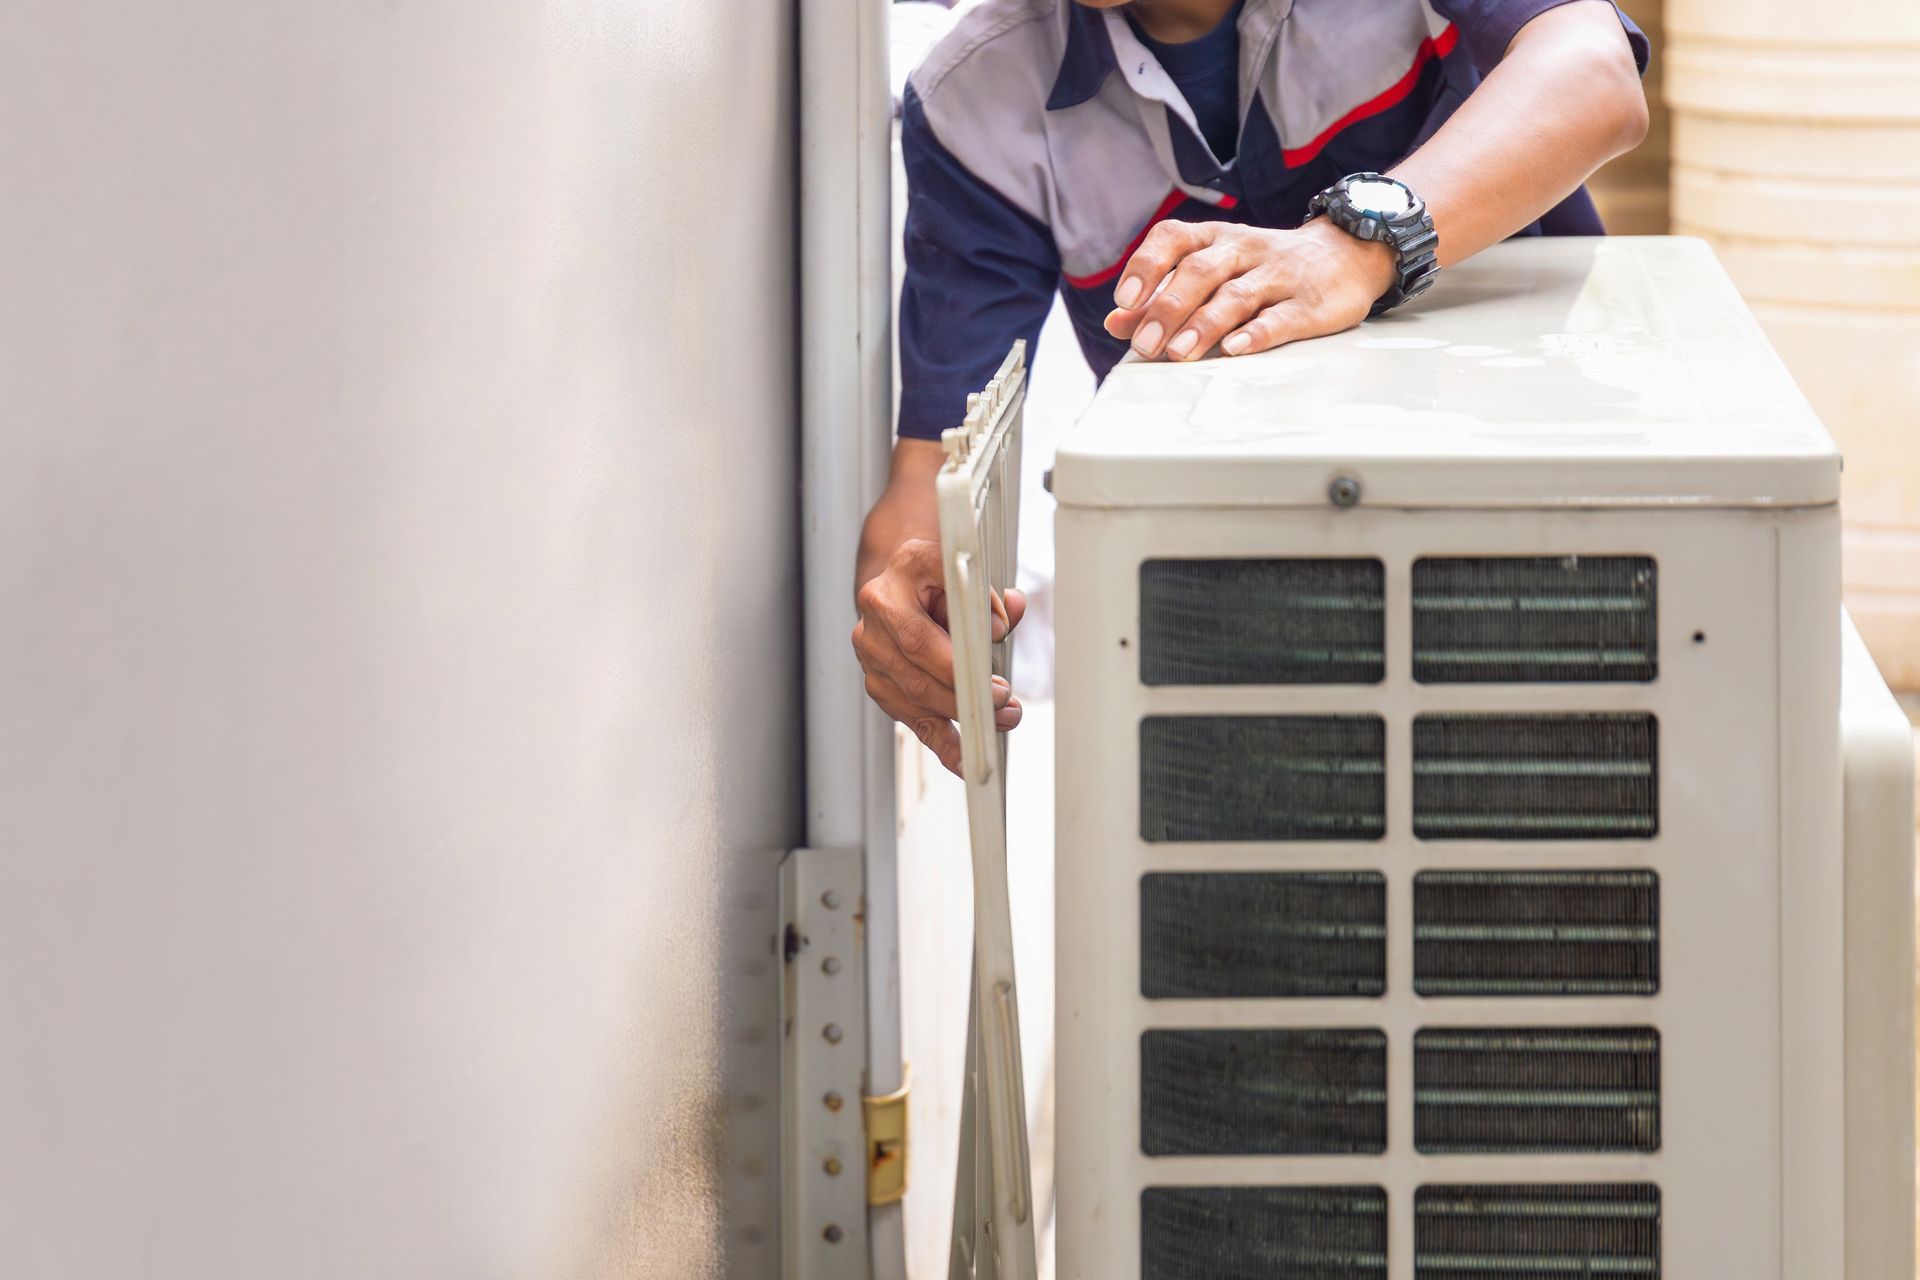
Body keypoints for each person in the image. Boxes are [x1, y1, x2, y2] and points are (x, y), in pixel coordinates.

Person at [853, 0, 1650, 774]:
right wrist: (909, 601)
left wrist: (1357, 247)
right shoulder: (974, 97)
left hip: (1536, 558)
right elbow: (933, 464)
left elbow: (1594, 71)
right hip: (1240, 647)